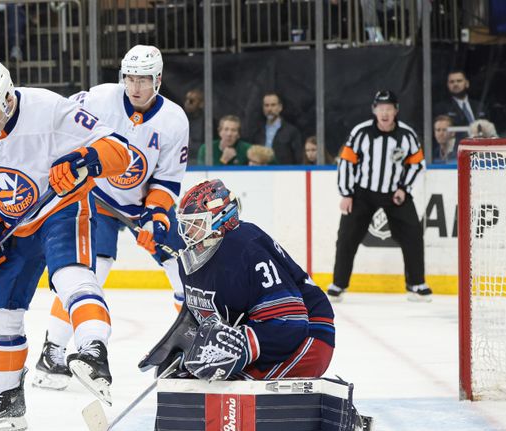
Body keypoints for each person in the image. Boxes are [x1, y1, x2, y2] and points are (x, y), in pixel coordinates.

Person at [0, 59, 131, 431]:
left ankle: (93, 351)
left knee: (70, 276)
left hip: (61, 209)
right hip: (12, 223)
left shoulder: (49, 109)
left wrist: (83, 159)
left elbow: (120, 150)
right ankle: (7, 399)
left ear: (8, 97)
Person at [34, 45, 188, 390]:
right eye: (130, 78)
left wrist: (156, 217)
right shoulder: (100, 99)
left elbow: (166, 179)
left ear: (158, 79)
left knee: (184, 270)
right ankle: (52, 352)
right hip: (96, 197)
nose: (135, 87)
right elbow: (61, 120)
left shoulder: (174, 120)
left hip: (142, 205)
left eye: (144, 80)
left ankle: (187, 346)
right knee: (90, 272)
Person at [140, 179, 335, 382]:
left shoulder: (246, 247)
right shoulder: (192, 259)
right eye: (186, 224)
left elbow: (289, 322)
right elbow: (202, 317)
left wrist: (243, 345)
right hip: (265, 333)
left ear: (221, 218)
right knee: (192, 380)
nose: (187, 232)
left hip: (308, 335)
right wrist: (181, 350)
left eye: (196, 223)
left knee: (235, 387)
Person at [327, 90, 431, 302]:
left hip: (395, 194)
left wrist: (404, 188)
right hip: (362, 193)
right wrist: (346, 194)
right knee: (347, 237)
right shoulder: (361, 132)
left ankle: (416, 284)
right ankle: (338, 284)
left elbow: (417, 164)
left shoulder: (407, 135)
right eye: (381, 108)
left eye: (389, 108)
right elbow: (346, 162)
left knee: (412, 234)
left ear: (396, 111)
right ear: (374, 110)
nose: (385, 113)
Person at [250, 92, 302, 164]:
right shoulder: (257, 131)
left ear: (280, 107)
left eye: (273, 105)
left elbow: (299, 158)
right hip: (260, 172)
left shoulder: (292, 132)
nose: (269, 109)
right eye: (266, 105)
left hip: (283, 173)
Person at [183, 88, 204, 165]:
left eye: (191, 101)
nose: (187, 103)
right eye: (186, 100)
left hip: (200, 161)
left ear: (201, 104)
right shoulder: (180, 118)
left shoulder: (208, 122)